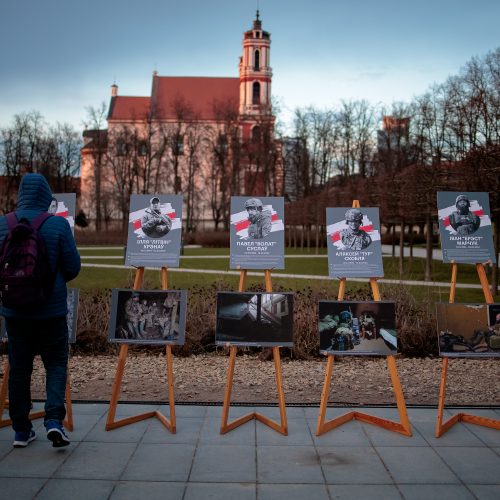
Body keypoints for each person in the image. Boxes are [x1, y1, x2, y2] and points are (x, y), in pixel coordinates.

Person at [0, 174, 80, 448]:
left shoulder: (3, 224)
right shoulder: (57, 225)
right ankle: (54, 422)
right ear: (47, 196)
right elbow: (73, 267)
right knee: (56, 365)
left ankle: (21, 430)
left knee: (19, 369)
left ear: (20, 195)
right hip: (52, 311)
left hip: (15, 312)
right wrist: (51, 283)